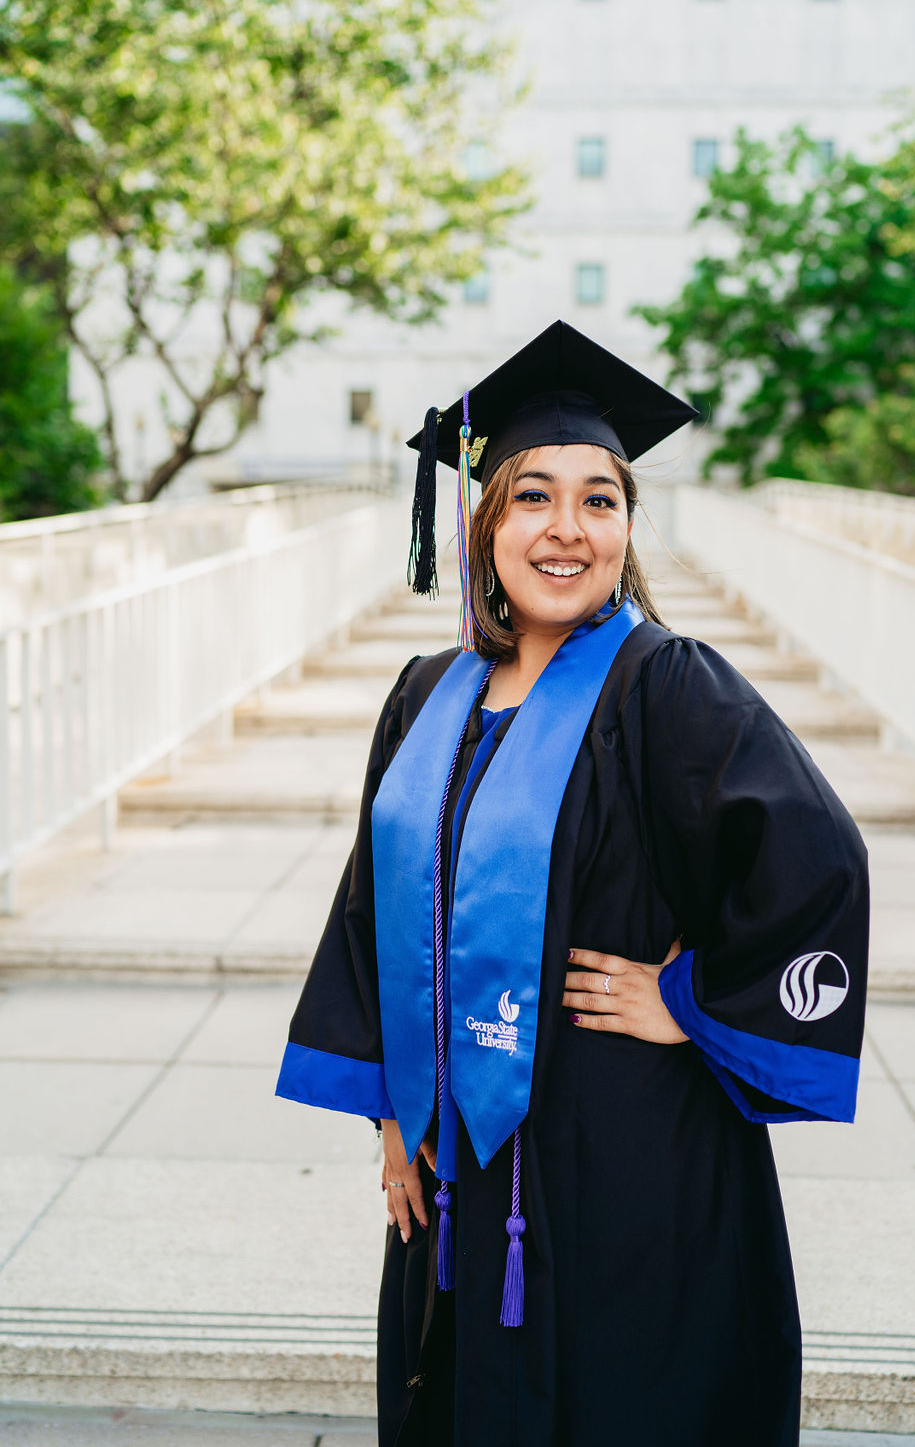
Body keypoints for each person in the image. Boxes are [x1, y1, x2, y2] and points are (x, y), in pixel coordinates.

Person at [276, 320, 870, 1447]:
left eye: (600, 500)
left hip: (626, 1147)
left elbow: (816, 859)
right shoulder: (426, 695)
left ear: (627, 530)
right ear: (484, 522)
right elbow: (377, 910)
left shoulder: (668, 686)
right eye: (533, 496)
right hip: (457, 1159)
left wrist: (690, 1001)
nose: (567, 529)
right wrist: (396, 1114)